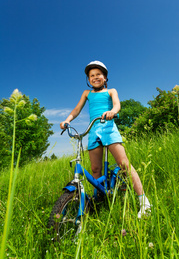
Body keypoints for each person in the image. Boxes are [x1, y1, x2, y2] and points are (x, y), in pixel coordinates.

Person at [60, 60, 150, 218]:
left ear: (105, 77)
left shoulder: (111, 91)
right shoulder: (86, 93)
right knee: (95, 169)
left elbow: (117, 105)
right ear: (88, 79)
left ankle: (144, 201)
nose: (95, 77)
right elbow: (76, 109)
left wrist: (112, 112)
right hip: (93, 130)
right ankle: (98, 198)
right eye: (92, 75)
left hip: (108, 127)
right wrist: (67, 120)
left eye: (98, 74)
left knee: (124, 164)